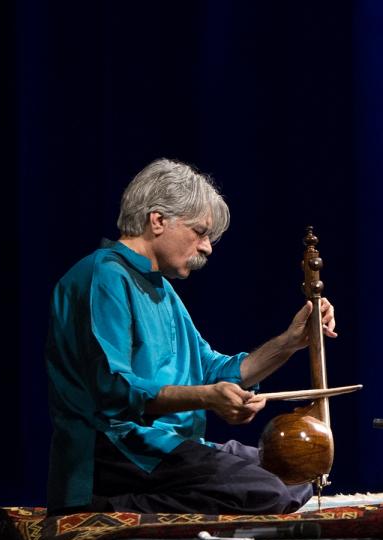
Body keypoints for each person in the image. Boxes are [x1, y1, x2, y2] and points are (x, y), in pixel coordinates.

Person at [45, 158, 336, 515]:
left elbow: (214, 372)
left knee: (296, 473)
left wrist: (290, 341)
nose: (207, 247)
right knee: (264, 491)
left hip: (170, 448)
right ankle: (101, 506)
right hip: (119, 451)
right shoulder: (103, 276)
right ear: (158, 220)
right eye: (200, 232)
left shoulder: (162, 290)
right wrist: (208, 398)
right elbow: (115, 390)